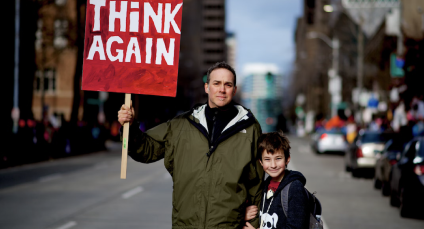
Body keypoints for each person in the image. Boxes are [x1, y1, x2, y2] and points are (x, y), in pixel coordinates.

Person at [117, 61, 264, 229]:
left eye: (228, 85)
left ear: (234, 90)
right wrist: (130, 126)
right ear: (207, 87)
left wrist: (253, 224)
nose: (222, 89)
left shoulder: (250, 128)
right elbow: (145, 150)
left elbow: (257, 184)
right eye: (216, 83)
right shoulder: (181, 125)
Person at [243, 132, 309, 229]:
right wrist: (243, 216)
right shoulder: (264, 186)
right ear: (260, 162)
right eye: (267, 159)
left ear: (287, 159)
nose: (273, 165)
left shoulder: (294, 188)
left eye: (278, 158)